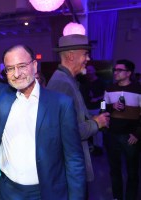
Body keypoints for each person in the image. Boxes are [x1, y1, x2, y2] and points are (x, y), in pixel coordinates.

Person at [0, 44, 86, 199]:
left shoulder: (61, 104)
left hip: (46, 193)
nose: (16, 74)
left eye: (22, 66)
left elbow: (73, 159)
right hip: (7, 192)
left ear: (34, 65)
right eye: (10, 68)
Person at [46, 34, 110, 187]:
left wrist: (92, 120)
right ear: (70, 56)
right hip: (69, 169)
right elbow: (64, 132)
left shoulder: (67, 80)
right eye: (85, 54)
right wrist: (96, 123)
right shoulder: (62, 83)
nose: (88, 59)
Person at [104, 59, 141, 200]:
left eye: (120, 70)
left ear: (129, 73)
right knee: (115, 171)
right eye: (115, 70)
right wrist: (110, 107)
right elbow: (102, 106)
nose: (116, 73)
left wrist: (138, 134)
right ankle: (117, 197)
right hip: (112, 135)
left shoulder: (138, 89)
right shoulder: (109, 88)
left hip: (130, 136)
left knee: (132, 171)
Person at [82, 65, 106, 155]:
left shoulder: (101, 82)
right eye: (87, 71)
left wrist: (96, 99)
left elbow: (105, 95)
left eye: (90, 70)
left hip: (97, 108)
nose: (89, 72)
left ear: (94, 71)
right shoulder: (85, 82)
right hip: (87, 109)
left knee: (98, 129)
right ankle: (94, 147)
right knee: (91, 128)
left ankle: (99, 148)